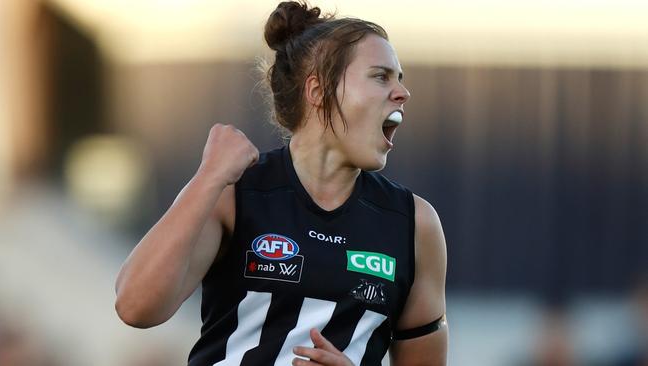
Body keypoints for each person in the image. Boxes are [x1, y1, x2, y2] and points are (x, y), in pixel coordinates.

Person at [115, 1, 448, 365]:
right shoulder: (234, 190)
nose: (402, 92)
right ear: (318, 91)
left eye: (400, 78)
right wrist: (207, 177)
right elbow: (135, 307)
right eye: (381, 76)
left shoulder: (414, 224)